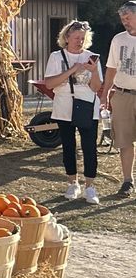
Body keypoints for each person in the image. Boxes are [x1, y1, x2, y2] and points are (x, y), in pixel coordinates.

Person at [44, 20, 103, 203]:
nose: (79, 41)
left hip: (87, 108)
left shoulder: (92, 56)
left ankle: (90, 187)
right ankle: (72, 183)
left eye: (83, 38)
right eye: (76, 37)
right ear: (67, 37)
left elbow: (96, 88)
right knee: (69, 147)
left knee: (89, 148)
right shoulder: (56, 56)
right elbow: (49, 84)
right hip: (64, 107)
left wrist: (93, 71)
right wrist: (72, 70)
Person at [98, 0, 136, 197]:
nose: (125, 22)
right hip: (122, 95)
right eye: (122, 20)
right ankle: (127, 181)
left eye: (128, 18)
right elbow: (111, 69)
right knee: (124, 140)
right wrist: (105, 95)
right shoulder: (118, 40)